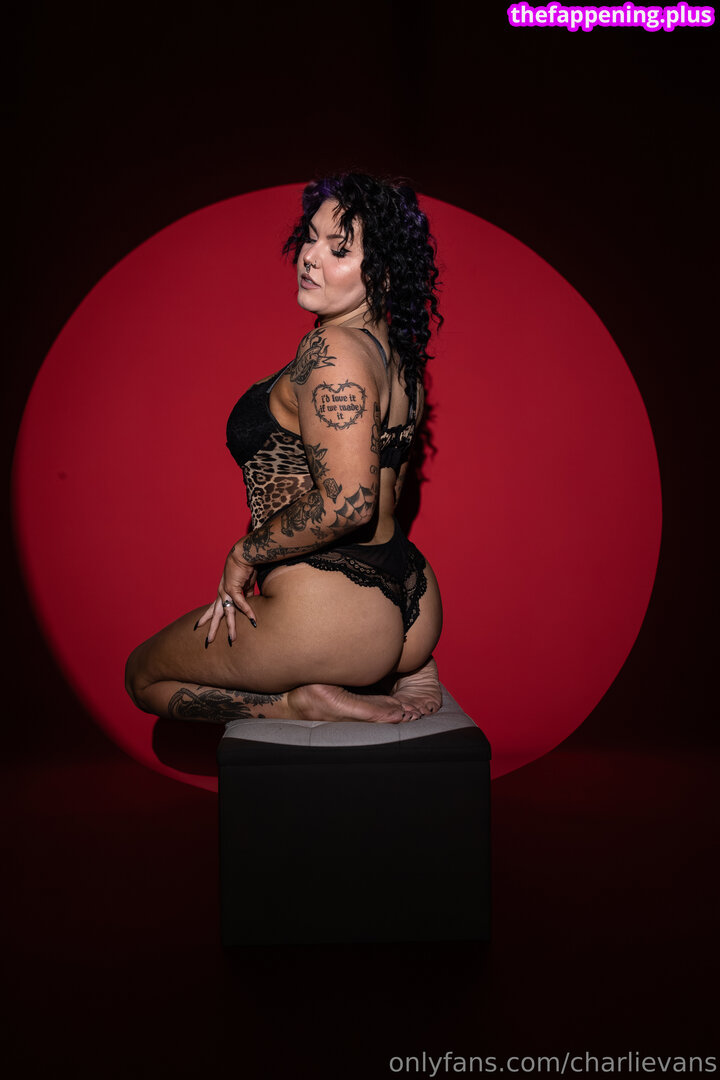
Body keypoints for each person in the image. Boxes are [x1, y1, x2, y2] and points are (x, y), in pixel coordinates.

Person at [125, 172, 444, 725]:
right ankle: (405, 665)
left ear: (385, 273)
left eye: (339, 249)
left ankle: (297, 704)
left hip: (334, 613)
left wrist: (244, 553)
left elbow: (349, 503)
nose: (310, 258)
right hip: (409, 595)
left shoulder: (332, 349)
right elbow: (386, 484)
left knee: (143, 675)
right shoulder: (396, 360)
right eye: (310, 238)